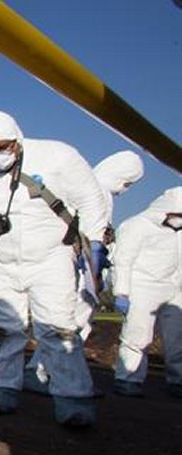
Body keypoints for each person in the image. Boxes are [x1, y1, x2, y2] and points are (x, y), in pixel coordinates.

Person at [0, 111, 107, 427]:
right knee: (1, 328)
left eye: (1, 147)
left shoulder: (57, 156)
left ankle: (74, 398)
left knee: (58, 328)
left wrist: (96, 241)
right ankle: (1, 388)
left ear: (17, 140)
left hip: (50, 258)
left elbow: (90, 198)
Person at [24, 150, 145, 394]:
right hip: (80, 270)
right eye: (128, 183)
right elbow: (91, 236)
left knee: (71, 325)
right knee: (71, 325)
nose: (125, 189)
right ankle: (42, 372)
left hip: (78, 267)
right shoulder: (96, 192)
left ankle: (59, 377)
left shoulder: (83, 185)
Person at [110, 187, 182, 398]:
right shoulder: (136, 226)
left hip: (174, 288)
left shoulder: (178, 233)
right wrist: (122, 292)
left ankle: (178, 380)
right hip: (143, 287)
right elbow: (122, 261)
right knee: (137, 336)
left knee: (177, 339)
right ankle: (128, 378)